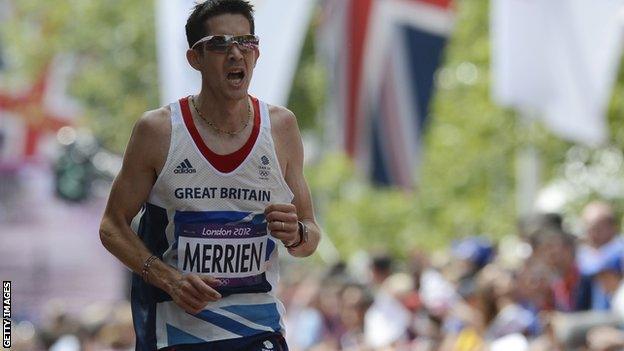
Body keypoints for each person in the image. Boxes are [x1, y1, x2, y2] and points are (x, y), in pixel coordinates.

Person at [99, 1, 321, 350]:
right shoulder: (158, 131)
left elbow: (309, 238)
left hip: (258, 329)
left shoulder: (281, 127)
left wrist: (296, 234)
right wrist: (170, 280)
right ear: (195, 58)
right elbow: (112, 226)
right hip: (179, 333)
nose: (235, 54)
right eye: (220, 43)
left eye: (245, 42)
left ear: (257, 53)